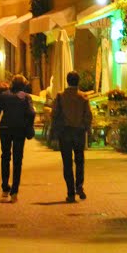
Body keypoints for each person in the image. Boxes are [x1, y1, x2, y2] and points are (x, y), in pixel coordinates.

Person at [0, 75, 35, 202]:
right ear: (23, 85)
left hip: (5, 129)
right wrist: (29, 126)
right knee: (17, 159)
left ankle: (4, 187)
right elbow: (31, 113)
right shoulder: (25, 97)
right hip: (19, 130)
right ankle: (14, 191)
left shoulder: (4, 96)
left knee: (5, 156)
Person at [51, 70, 92, 203]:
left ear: (67, 81)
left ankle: (70, 192)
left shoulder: (61, 96)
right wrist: (86, 127)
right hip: (79, 132)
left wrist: (55, 131)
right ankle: (79, 184)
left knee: (67, 163)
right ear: (78, 82)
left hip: (65, 132)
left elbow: (54, 114)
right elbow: (88, 115)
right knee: (80, 160)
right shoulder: (83, 97)